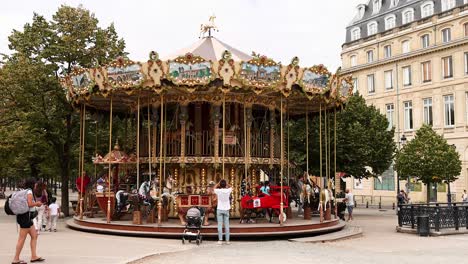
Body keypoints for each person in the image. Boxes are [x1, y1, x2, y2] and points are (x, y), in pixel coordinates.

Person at [12, 178, 45, 264]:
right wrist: (37, 204)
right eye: (35, 184)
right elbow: (30, 204)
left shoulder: (24, 190)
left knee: (34, 235)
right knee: (21, 239)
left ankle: (34, 256)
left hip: (26, 217)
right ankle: (16, 259)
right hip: (25, 217)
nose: (36, 185)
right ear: (32, 184)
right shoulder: (29, 191)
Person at [214, 179, 232, 245]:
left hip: (219, 208)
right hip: (226, 209)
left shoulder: (218, 191)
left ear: (220, 185)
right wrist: (227, 183)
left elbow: (214, 188)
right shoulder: (228, 190)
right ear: (225, 185)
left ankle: (220, 240)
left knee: (219, 225)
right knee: (227, 225)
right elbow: (231, 187)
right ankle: (227, 240)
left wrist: (218, 183)